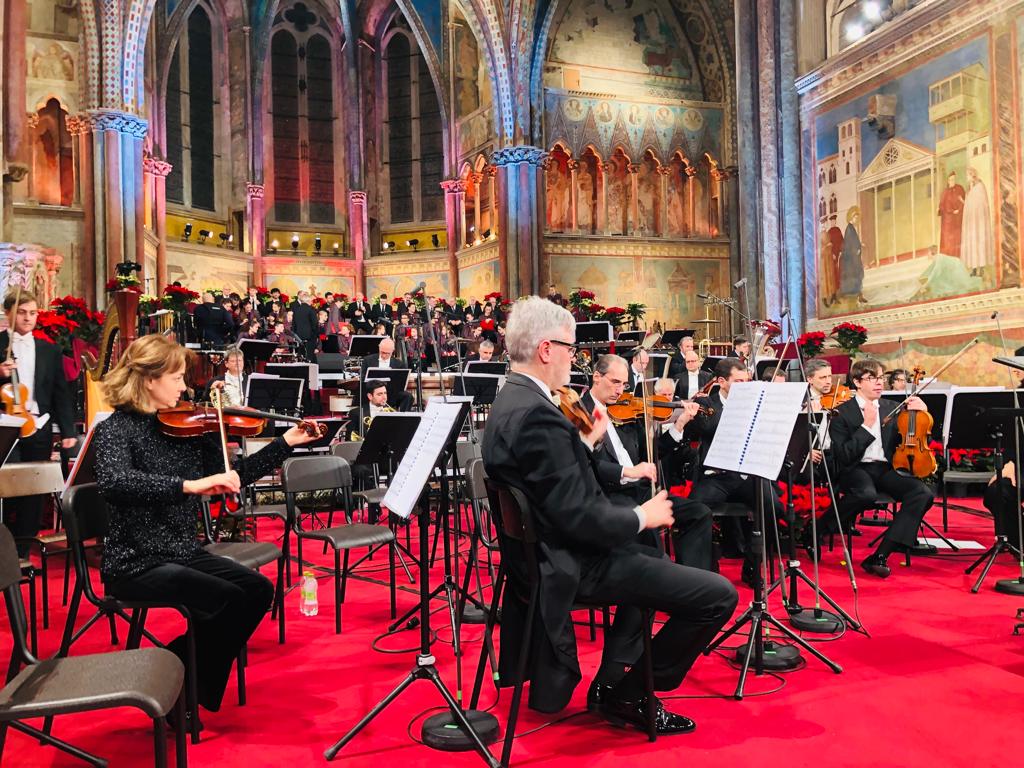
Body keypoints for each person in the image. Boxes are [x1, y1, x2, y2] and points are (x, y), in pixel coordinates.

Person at [482, 296, 736, 733]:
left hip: (539, 556)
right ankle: (628, 692)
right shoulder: (539, 415)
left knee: (652, 560)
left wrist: (580, 446)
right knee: (719, 595)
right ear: (546, 349)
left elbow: (546, 482)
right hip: (570, 562)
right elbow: (580, 517)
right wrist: (642, 516)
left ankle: (617, 678)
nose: (573, 358)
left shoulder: (511, 400)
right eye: (570, 348)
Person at [93, 334, 318, 719]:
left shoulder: (187, 427)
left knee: (257, 590)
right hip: (135, 561)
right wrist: (185, 485)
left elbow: (236, 476)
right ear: (149, 378)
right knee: (225, 600)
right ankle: (184, 693)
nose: (185, 387)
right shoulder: (116, 430)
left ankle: (175, 671)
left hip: (182, 552)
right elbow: (115, 483)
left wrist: (285, 442)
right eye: (178, 378)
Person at [582, 355, 711, 570]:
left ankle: (689, 584)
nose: (620, 391)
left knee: (699, 513)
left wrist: (679, 424)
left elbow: (654, 451)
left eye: (624, 384)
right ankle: (653, 587)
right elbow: (588, 463)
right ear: (596, 377)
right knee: (650, 537)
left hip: (638, 491)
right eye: (615, 382)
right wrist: (629, 471)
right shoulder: (580, 411)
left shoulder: (625, 410)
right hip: (608, 496)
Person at [828, 358, 934, 578]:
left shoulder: (892, 408)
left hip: (885, 469)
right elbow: (845, 456)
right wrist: (866, 426)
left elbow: (914, 437)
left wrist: (922, 412)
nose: (879, 383)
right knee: (866, 494)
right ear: (857, 382)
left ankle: (880, 555)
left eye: (880, 378)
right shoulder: (841, 413)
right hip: (855, 469)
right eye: (872, 378)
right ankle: (819, 528)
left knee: (922, 493)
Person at [690, 357, 782, 581]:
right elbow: (705, 430)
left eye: (747, 381)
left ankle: (752, 564)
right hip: (716, 476)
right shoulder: (707, 404)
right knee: (694, 509)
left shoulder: (758, 404)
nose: (745, 386)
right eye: (739, 381)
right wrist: (736, 408)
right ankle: (706, 566)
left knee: (774, 507)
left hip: (746, 475)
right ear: (722, 381)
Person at [0, 292, 78, 555]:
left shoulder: (49, 349)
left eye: (32, 313)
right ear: (8, 313)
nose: (28, 318)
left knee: (33, 492)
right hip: (7, 428)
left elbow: (60, 393)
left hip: (39, 427)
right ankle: (5, 550)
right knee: (8, 490)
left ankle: (22, 550)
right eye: (22, 312)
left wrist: (68, 431)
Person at [359, 337, 414, 411]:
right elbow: (362, 378)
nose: (384, 355)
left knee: (408, 396)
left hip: (391, 393)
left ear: (392, 351)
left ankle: (403, 418)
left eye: (387, 353)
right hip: (373, 392)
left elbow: (401, 383)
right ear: (379, 348)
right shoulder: (368, 360)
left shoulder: (399, 364)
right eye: (382, 352)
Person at [289, 291, 319, 361]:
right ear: (308, 301)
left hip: (299, 337)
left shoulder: (296, 310)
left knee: (301, 355)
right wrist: (316, 336)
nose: (311, 302)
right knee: (310, 355)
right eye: (311, 301)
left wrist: (295, 336)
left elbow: (294, 324)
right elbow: (315, 324)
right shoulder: (311, 310)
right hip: (310, 337)